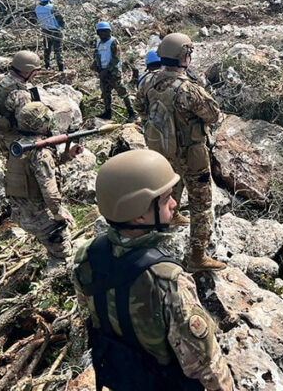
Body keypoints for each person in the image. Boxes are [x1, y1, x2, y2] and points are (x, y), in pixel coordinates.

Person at [72, 149, 235, 391]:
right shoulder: (167, 279)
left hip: (121, 373)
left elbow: (89, 310)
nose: (174, 203)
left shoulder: (86, 255)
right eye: (166, 198)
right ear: (138, 215)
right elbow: (204, 364)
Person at [141, 33, 224, 271]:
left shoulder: (148, 81)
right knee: (201, 205)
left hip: (162, 151)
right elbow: (213, 114)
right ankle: (197, 256)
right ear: (183, 57)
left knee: (168, 186)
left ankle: (171, 217)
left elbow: (141, 109)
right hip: (191, 154)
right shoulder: (188, 89)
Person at [6, 102, 79, 273]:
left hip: (20, 213)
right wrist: (59, 213)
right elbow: (49, 190)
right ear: (41, 124)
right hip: (39, 217)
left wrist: (68, 155)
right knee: (64, 254)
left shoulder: (19, 146)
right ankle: (56, 280)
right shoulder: (40, 153)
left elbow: (36, 169)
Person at [0, 50, 42, 154]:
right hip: (10, 136)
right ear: (26, 71)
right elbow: (26, 125)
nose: (36, 74)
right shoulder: (21, 95)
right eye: (35, 71)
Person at [92, 21, 136, 122]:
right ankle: (107, 113)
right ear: (98, 33)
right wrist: (95, 64)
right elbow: (97, 54)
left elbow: (116, 58)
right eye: (101, 32)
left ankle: (132, 113)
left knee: (122, 92)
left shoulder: (113, 42)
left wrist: (106, 70)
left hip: (113, 73)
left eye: (105, 32)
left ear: (109, 32)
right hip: (103, 72)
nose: (103, 34)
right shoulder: (98, 42)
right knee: (106, 93)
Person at [35, 0, 65, 72]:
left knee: (47, 48)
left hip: (45, 30)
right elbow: (60, 19)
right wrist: (63, 27)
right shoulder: (52, 7)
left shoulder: (37, 8)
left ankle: (47, 65)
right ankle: (61, 67)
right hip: (55, 31)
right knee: (58, 50)